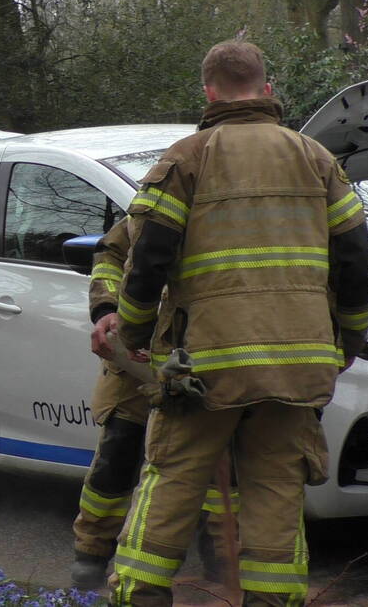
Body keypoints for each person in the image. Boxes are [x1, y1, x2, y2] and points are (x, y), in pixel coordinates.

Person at [109, 40, 368, 606]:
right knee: (277, 487)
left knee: (175, 476)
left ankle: (141, 595)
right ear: (268, 89)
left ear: (208, 93)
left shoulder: (186, 160)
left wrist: (132, 334)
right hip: (297, 364)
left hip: (205, 366)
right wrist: (348, 340)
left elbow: (148, 258)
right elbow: (355, 259)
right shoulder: (316, 159)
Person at [71, 216, 239, 590]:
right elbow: (110, 254)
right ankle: (91, 555)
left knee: (223, 460)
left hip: (208, 351)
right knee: (119, 451)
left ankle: (222, 561)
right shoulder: (163, 190)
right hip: (140, 353)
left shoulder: (237, 202)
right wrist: (107, 310)